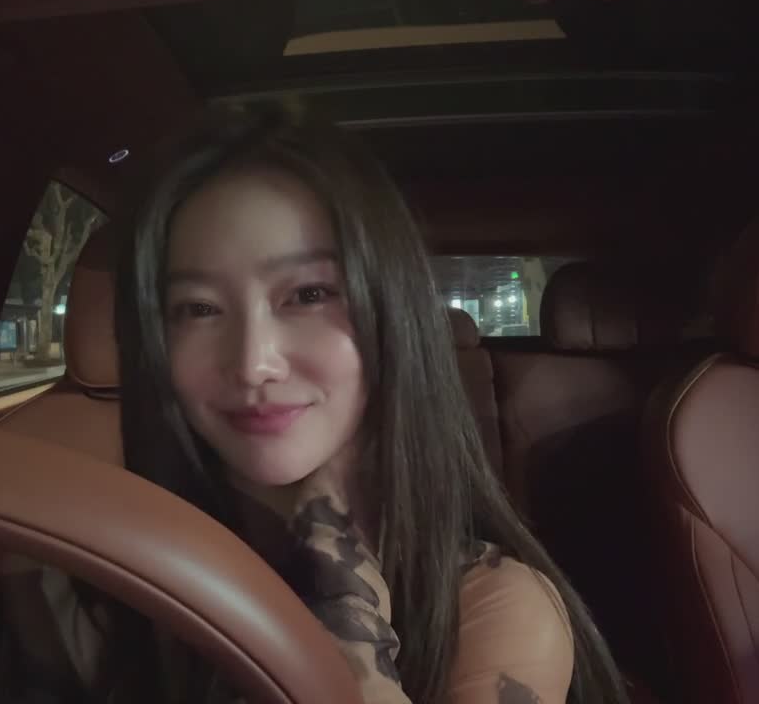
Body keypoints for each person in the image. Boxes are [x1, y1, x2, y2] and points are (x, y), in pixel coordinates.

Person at [99, 107, 629, 704]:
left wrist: (326, 545)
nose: (252, 363)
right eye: (198, 309)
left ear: (392, 317)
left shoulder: (496, 604)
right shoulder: (94, 577)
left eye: (309, 294)